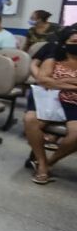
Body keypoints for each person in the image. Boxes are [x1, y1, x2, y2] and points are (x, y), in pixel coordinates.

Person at [24, 27, 77, 184]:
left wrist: (58, 83)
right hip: (48, 98)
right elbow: (43, 80)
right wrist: (73, 84)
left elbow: (50, 81)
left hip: (73, 102)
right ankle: (41, 161)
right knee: (30, 120)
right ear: (64, 43)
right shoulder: (54, 58)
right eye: (74, 41)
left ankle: (48, 163)